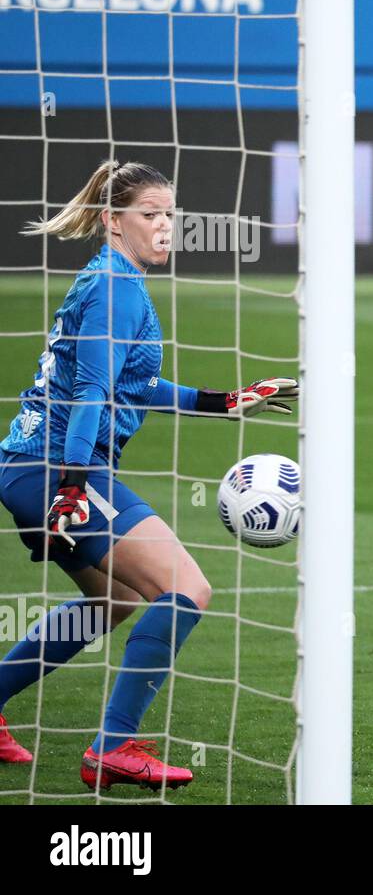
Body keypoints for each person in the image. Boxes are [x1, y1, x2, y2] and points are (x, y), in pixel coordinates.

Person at [0, 160, 299, 791]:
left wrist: (223, 400)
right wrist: (76, 485)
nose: (165, 227)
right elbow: (90, 391)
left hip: (33, 466)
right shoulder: (117, 287)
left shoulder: (112, 279)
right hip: (60, 468)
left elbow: (133, 384)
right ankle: (113, 746)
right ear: (113, 220)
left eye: (171, 214)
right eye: (150, 215)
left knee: (113, 602)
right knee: (187, 587)